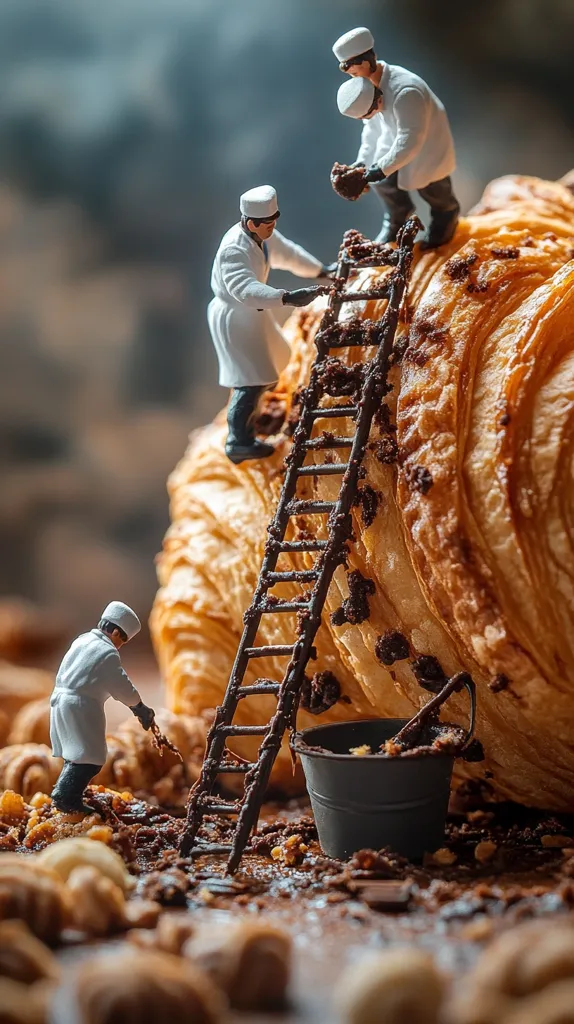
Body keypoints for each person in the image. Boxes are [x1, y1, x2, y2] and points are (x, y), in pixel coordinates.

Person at [208, 185, 334, 464]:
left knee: (272, 365)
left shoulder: (262, 236)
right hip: (235, 318)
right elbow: (245, 289)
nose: (272, 229)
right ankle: (238, 441)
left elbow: (288, 254)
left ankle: (256, 414)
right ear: (251, 223)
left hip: (253, 316)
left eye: (274, 222)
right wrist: (287, 297)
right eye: (268, 224)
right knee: (249, 381)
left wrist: (320, 271)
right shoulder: (233, 249)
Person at [332, 26, 460, 249]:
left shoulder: (405, 92)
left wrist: (380, 168)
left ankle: (446, 217)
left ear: (363, 63)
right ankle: (398, 215)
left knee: (434, 189)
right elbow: (371, 130)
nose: (354, 80)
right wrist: (363, 163)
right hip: (393, 143)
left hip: (426, 149)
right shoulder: (369, 90)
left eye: (353, 74)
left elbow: (410, 140)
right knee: (383, 183)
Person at [50, 601, 155, 815]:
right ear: (115, 631)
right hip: (81, 705)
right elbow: (121, 685)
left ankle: (68, 793)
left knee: (74, 753)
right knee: (92, 757)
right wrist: (139, 707)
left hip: (60, 700)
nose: (121, 645)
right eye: (123, 640)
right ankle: (66, 796)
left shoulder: (82, 640)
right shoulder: (107, 653)